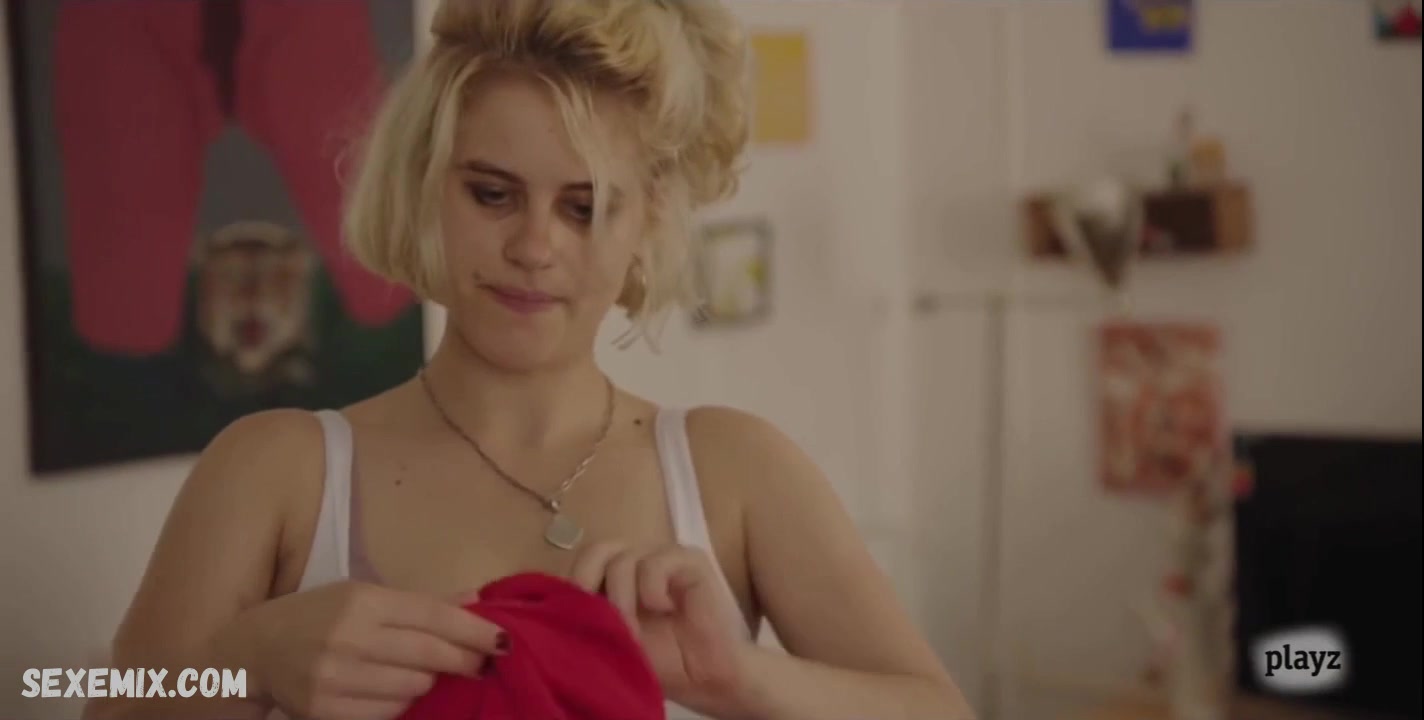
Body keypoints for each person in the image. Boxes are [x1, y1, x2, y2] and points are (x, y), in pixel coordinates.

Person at [82, 1, 975, 719]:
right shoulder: (274, 471)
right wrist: (246, 663)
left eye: (585, 208)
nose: (535, 248)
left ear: (645, 224)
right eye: (493, 194)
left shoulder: (736, 473)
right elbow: (66, 689)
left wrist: (737, 679)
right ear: (424, 186)